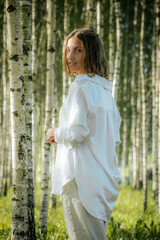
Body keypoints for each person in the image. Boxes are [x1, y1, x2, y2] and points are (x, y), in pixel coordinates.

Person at [46, 28, 121, 240]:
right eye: (68, 50)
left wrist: (54, 132)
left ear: (91, 53)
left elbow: (77, 132)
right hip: (103, 182)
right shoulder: (105, 91)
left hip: (80, 181)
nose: (70, 57)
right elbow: (112, 137)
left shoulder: (81, 87)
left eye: (77, 50)